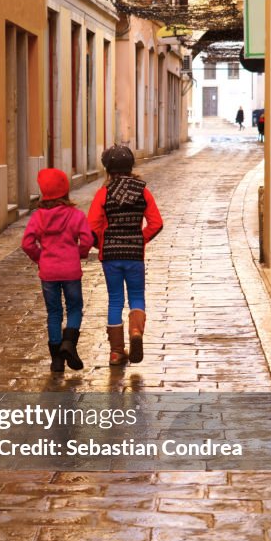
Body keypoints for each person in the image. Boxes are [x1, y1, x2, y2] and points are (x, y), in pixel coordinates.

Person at [88, 145, 163, 366]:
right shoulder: (143, 191)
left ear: (107, 169)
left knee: (115, 300)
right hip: (134, 255)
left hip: (110, 255)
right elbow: (156, 223)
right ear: (131, 166)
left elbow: (91, 227)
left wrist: (102, 243)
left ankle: (116, 352)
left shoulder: (103, 194)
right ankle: (136, 331)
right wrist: (141, 239)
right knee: (137, 296)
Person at [21, 168, 93, 373]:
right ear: (65, 191)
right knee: (75, 308)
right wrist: (79, 253)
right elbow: (87, 239)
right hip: (71, 271)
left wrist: (40, 257)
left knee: (53, 312)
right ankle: (69, 343)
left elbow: (27, 243)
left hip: (48, 272)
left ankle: (56, 360)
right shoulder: (76, 215)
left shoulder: (39, 217)